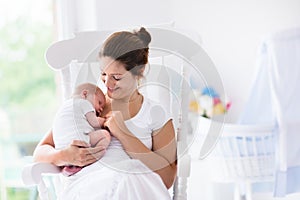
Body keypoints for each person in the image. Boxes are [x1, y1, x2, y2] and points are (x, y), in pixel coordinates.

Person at [33, 27, 177, 199]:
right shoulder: (87, 103)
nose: (107, 83)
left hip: (134, 185)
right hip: (89, 187)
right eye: (103, 74)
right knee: (126, 178)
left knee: (129, 177)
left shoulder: (154, 113)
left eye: (116, 77)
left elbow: (167, 179)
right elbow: (39, 153)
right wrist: (64, 155)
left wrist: (123, 133)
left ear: (139, 72)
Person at [52, 82, 111, 176]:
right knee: (105, 135)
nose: (100, 109)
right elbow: (95, 123)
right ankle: (93, 156)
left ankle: (69, 167)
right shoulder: (84, 103)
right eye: (99, 103)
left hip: (63, 149)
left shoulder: (64, 106)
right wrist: (104, 120)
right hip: (79, 141)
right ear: (85, 94)